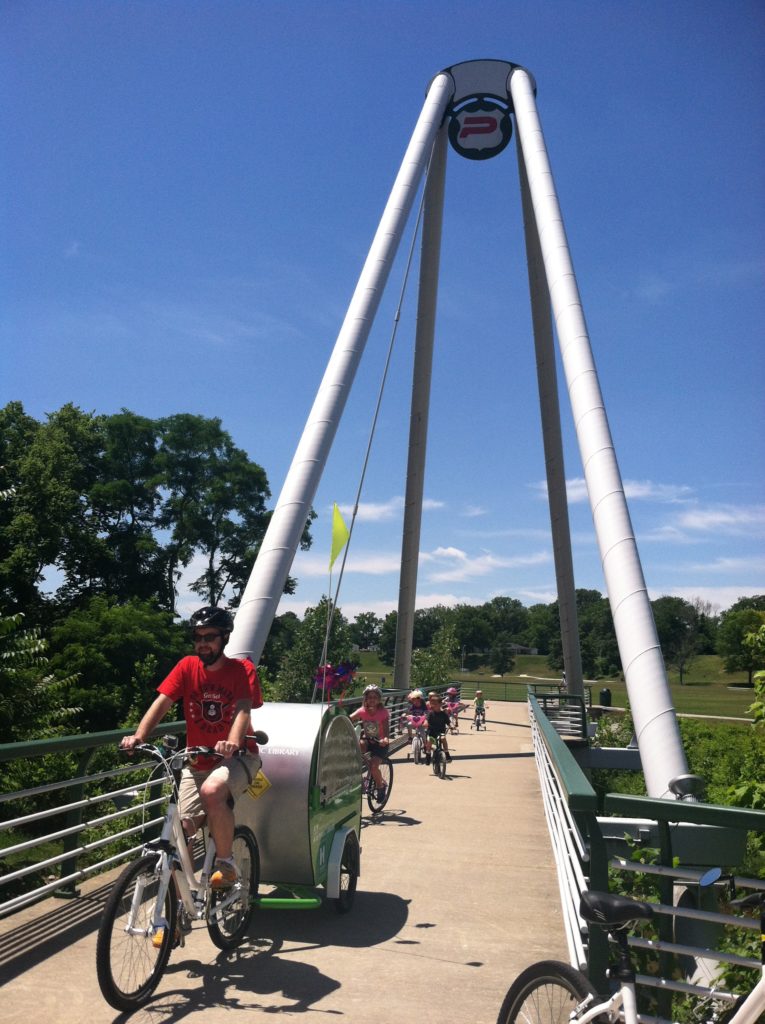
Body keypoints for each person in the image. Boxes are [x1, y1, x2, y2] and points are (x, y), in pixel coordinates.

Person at [120, 606, 262, 890]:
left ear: (224, 638)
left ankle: (226, 863)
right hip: (197, 760)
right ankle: (179, 904)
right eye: (197, 637)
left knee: (212, 792)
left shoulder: (240, 670)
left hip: (238, 758)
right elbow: (162, 703)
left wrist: (233, 742)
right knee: (181, 832)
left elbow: (243, 709)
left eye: (209, 636)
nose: (202, 643)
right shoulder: (187, 667)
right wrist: (138, 736)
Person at [350, 684, 390, 801]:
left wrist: (386, 739)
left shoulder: (383, 712)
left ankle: (380, 786)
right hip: (368, 741)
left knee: (373, 767)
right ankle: (360, 777)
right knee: (357, 747)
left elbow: (386, 729)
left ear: (379, 699)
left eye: (375, 697)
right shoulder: (362, 711)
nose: (372, 699)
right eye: (369, 697)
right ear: (365, 699)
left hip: (380, 744)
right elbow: (348, 719)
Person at [425, 691, 452, 762]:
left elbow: (448, 722)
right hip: (432, 732)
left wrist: (451, 726)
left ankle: (446, 753)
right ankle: (428, 755)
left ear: (440, 704)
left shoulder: (443, 714)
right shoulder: (430, 714)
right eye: (432, 704)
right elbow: (427, 720)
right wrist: (425, 723)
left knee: (443, 738)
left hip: (441, 731)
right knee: (429, 741)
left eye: (435, 704)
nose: (433, 705)